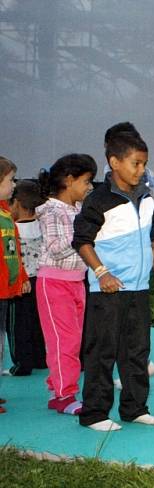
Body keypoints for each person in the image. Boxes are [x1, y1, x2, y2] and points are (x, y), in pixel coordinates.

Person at [73, 130, 154, 431]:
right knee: (102, 351)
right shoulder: (98, 201)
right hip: (108, 292)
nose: (141, 170)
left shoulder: (146, 198)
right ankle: (94, 413)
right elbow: (81, 241)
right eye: (136, 163)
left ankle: (134, 408)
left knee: (137, 350)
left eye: (144, 164)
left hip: (139, 289)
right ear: (114, 162)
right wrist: (102, 273)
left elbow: (150, 238)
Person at [36, 154, 98, 416]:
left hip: (76, 283)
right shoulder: (51, 210)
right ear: (69, 180)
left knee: (73, 340)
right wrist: (83, 236)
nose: (89, 188)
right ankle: (63, 395)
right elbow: (55, 247)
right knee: (65, 341)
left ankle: (58, 383)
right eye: (86, 181)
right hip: (54, 283)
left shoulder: (77, 210)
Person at [6, 180, 47, 376]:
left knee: (17, 325)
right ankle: (40, 358)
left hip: (20, 283)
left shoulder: (12, 228)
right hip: (40, 279)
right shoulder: (41, 226)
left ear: (17, 204)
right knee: (38, 322)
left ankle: (22, 363)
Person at [0, 156, 30, 413]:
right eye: (10, 180)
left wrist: (20, 278)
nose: (13, 185)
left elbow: (14, 250)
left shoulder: (6, 212)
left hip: (6, 290)